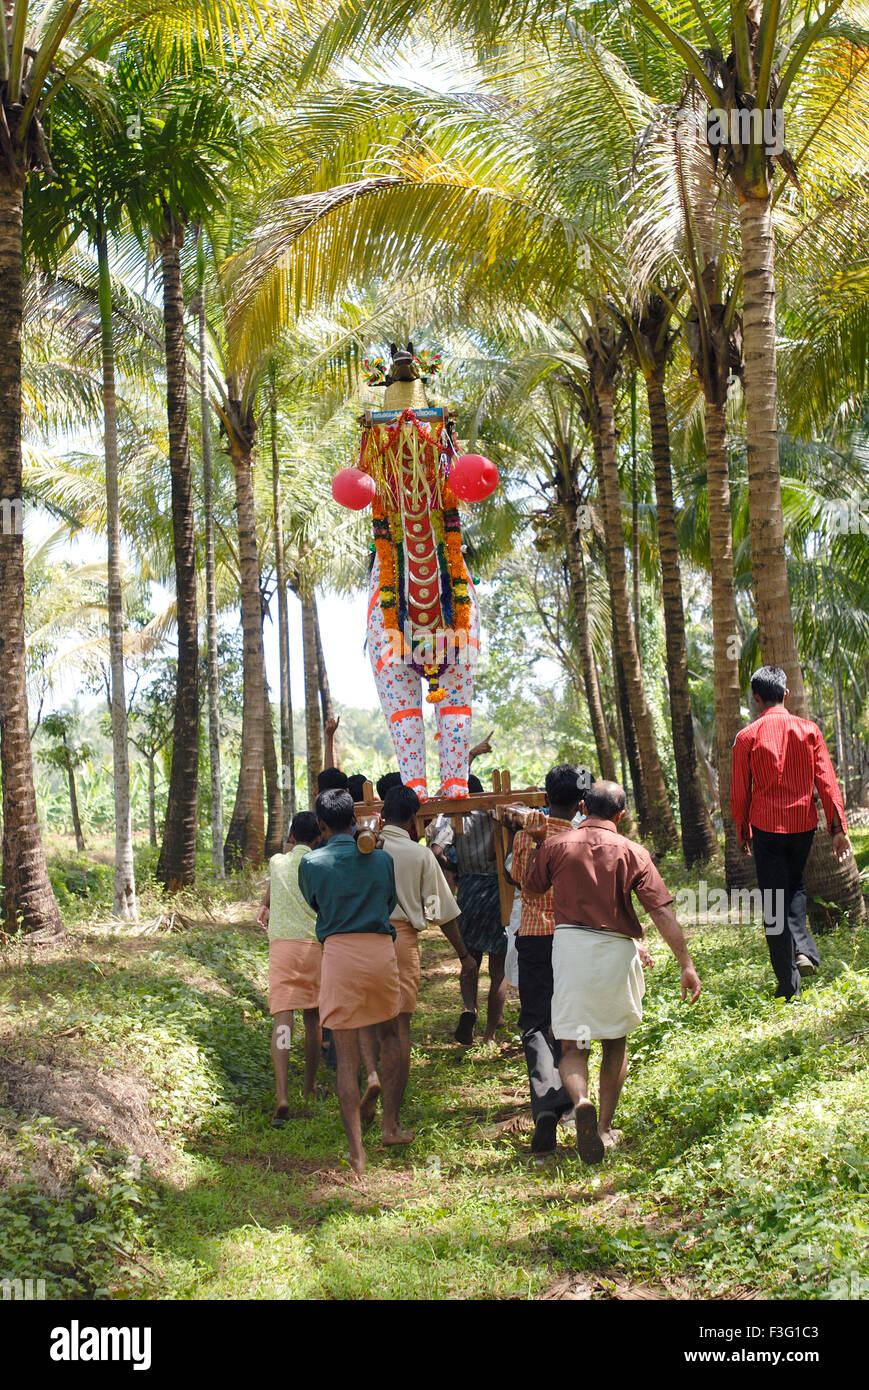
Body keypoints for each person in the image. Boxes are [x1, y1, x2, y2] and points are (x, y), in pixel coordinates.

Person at [524, 780, 701, 1165]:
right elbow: (660, 911)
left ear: (583, 807)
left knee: (573, 1045)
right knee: (614, 1042)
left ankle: (580, 1102)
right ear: (620, 815)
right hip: (616, 951)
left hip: (570, 948)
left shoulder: (556, 845)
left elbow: (531, 887)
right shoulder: (633, 851)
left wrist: (538, 844)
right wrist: (686, 964)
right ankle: (603, 1129)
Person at [298, 788, 413, 1174]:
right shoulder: (381, 859)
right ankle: (390, 1125)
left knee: (345, 1058)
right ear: (353, 819)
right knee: (391, 1036)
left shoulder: (311, 862)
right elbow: (388, 903)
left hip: (339, 953)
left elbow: (315, 903)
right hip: (379, 949)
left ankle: (357, 1153)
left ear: (320, 825)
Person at [731, 665, 852, 1000]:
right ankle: (804, 951)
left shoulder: (747, 737)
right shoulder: (809, 730)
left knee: (773, 901)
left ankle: (788, 985)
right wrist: (837, 828)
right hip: (802, 825)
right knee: (795, 886)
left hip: (766, 826)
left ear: (756, 698)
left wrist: (742, 830)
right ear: (785, 694)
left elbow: (740, 792)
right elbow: (827, 780)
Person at [375, 785, 479, 1114]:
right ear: (414, 820)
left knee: (368, 1022)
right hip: (401, 942)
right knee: (400, 1026)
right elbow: (439, 911)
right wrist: (463, 955)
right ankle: (392, 1112)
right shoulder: (419, 855)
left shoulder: (366, 848)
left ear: (382, 814)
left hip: (363, 942)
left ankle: (371, 1080)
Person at [508, 765, 584, 1154]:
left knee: (536, 1022)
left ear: (545, 797)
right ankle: (574, 1098)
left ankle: (546, 1104)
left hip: (534, 937)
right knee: (571, 1018)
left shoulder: (524, 836)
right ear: (581, 803)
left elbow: (518, 878)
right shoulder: (583, 839)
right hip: (573, 939)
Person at [256, 811, 323, 1126]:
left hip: (282, 947)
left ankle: (282, 1094)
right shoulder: (319, 863)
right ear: (319, 836)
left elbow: (270, 894)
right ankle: (309, 1087)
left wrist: (264, 905)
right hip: (313, 946)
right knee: (313, 1019)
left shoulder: (277, 861)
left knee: (283, 1021)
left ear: (291, 836)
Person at [433, 774, 507, 1046]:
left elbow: (436, 851)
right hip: (498, 891)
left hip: (469, 890)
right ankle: (490, 1035)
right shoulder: (498, 810)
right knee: (498, 969)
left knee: (469, 959)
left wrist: (452, 867)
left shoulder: (456, 815)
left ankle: (469, 1009)